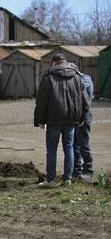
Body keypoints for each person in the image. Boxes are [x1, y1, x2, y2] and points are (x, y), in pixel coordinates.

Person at [34, 54, 90, 188]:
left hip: (53, 119)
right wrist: (82, 117)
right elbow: (85, 101)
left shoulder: (48, 78)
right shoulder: (77, 77)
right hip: (71, 118)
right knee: (69, 147)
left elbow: (41, 102)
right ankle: (67, 179)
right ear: (65, 63)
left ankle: (51, 180)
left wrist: (40, 120)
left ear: (53, 64)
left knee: (52, 149)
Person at [69, 63, 94, 182]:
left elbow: (84, 100)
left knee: (83, 144)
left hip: (84, 115)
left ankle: (88, 171)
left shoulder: (85, 79)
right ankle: (76, 171)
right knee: (74, 144)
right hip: (74, 116)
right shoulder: (75, 79)